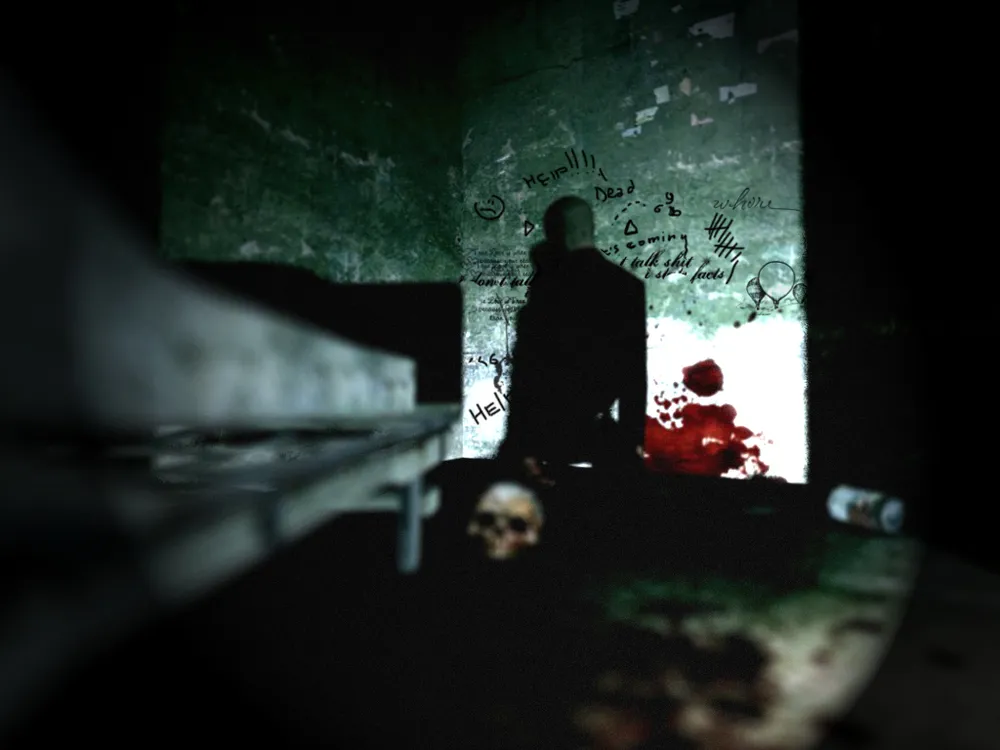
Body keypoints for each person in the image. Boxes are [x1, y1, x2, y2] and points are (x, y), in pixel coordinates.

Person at [496, 195, 647, 486]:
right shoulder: (628, 286)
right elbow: (634, 373)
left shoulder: (548, 286)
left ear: (561, 232)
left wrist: (519, 442)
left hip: (546, 432)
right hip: (601, 435)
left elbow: (528, 371)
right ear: (589, 229)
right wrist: (634, 440)